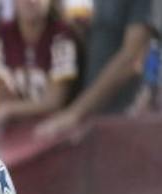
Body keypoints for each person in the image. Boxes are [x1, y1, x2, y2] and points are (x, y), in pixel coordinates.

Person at [35, 0, 162, 139]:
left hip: (128, 126)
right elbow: (103, 45)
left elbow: (133, 59)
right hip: (92, 126)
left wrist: (75, 112)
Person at [0, 0, 80, 132]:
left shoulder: (62, 35)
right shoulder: (4, 33)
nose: (30, 1)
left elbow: (54, 102)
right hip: (17, 132)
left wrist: (8, 110)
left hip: (56, 133)